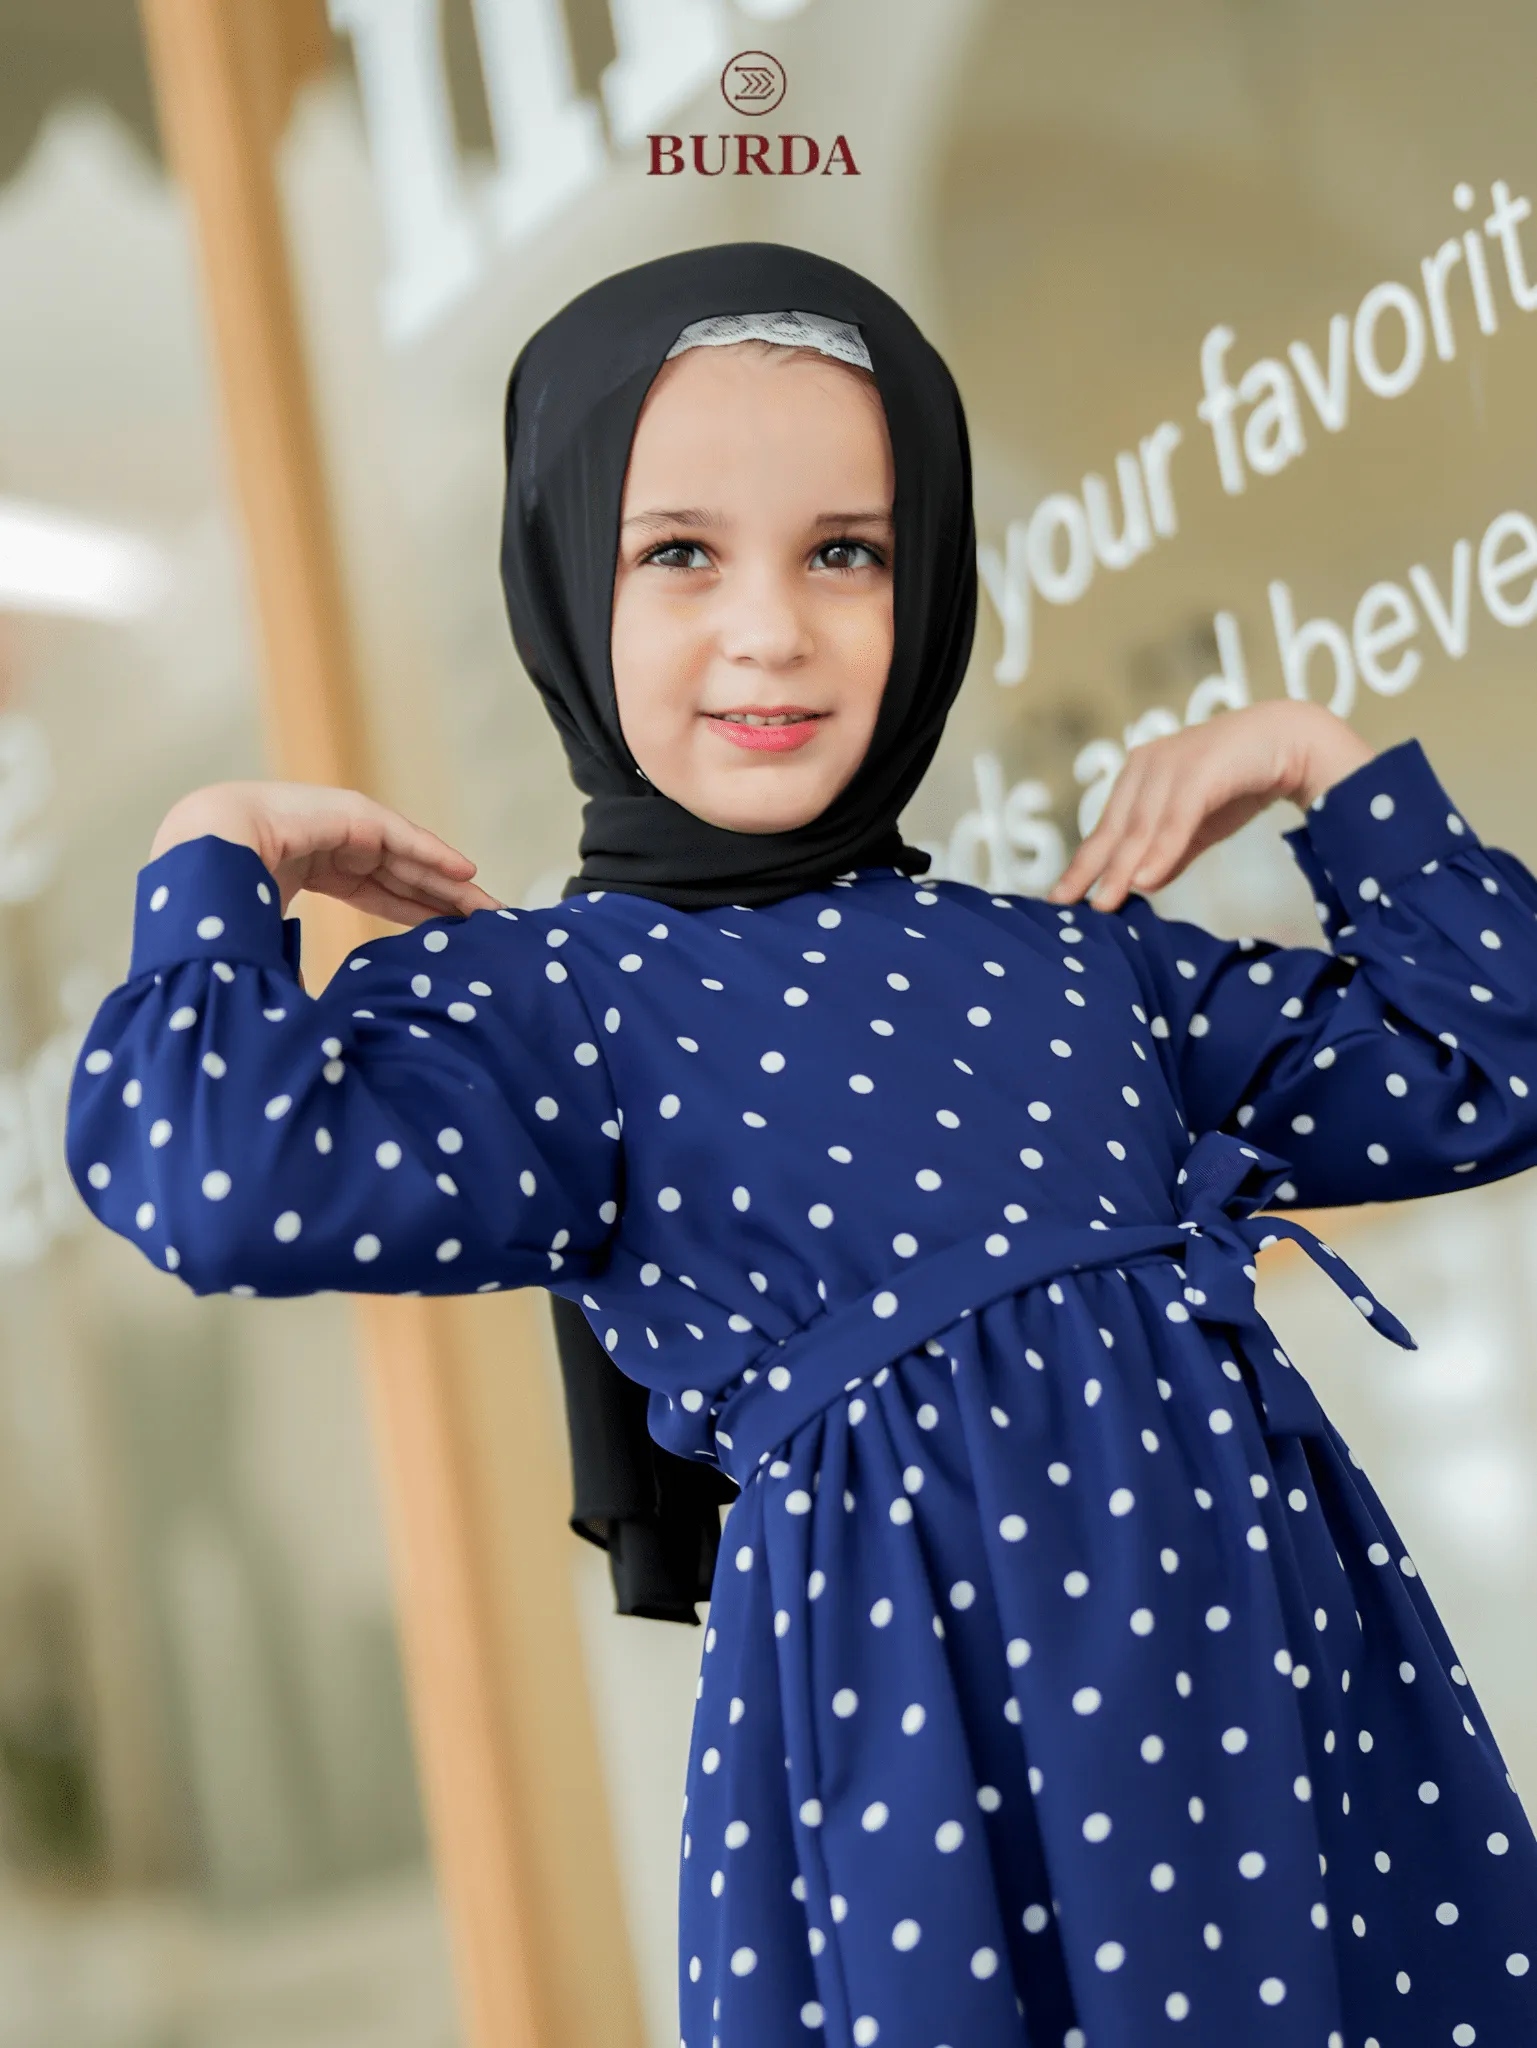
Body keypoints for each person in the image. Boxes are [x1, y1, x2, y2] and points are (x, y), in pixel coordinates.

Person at [66, 243, 1537, 2046]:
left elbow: (1495, 1059)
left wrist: (1328, 762)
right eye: (677, 552)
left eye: (846, 551)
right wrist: (222, 841)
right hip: (926, 1786)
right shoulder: (565, 1009)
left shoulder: (1080, 964)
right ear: (559, 585)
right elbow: (214, 1175)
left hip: (1280, 1737)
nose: (772, 627)